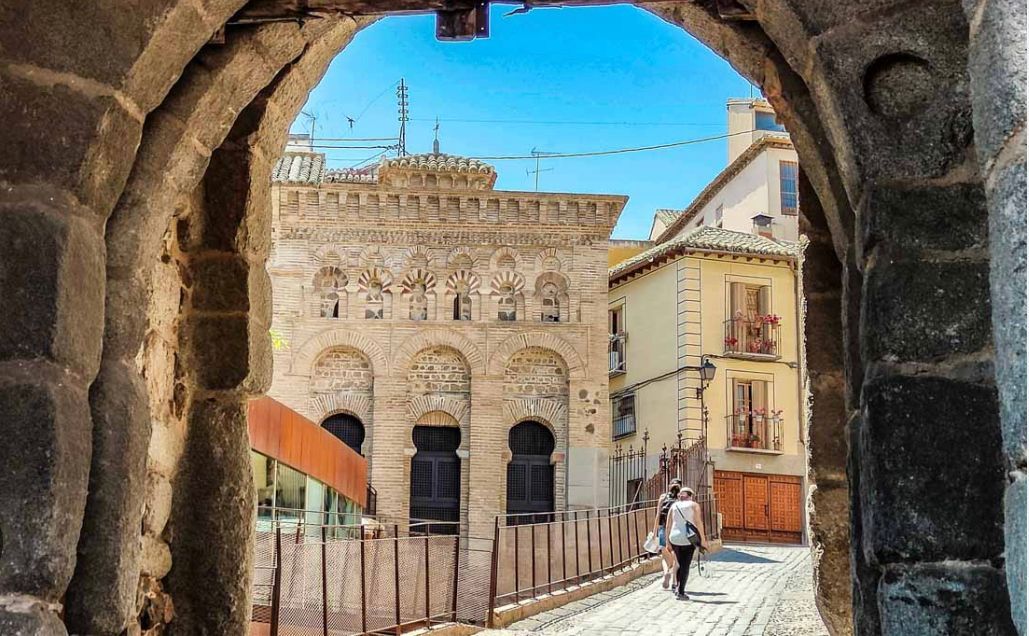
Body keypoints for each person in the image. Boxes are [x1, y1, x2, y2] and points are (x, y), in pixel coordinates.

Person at [664, 486, 707, 600]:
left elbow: (668, 525)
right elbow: (698, 522)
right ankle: (681, 591)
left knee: (678, 562)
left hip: (674, 537)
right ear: (691, 496)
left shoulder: (674, 506)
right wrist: (703, 539)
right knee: (685, 565)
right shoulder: (694, 505)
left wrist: (668, 542)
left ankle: (677, 586)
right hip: (688, 538)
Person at [652, 479, 682, 589]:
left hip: (662, 529)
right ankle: (673, 578)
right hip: (676, 531)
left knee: (664, 557)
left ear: (669, 486)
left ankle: (666, 573)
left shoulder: (662, 497)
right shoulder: (681, 500)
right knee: (676, 557)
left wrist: (654, 532)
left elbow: (658, 516)